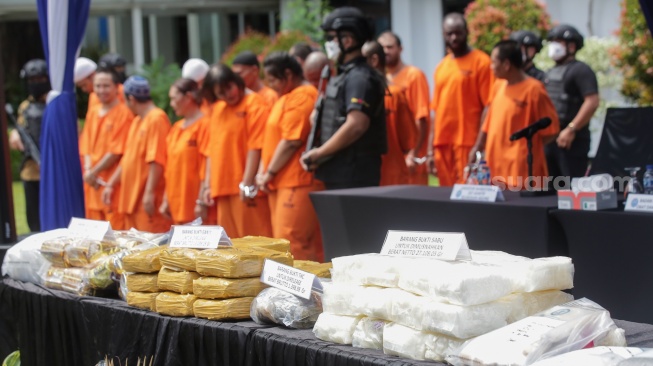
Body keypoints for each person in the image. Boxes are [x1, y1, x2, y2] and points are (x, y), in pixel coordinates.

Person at [300, 6, 387, 190]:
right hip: (340, 171)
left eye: (332, 38)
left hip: (354, 173)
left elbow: (356, 125)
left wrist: (320, 153)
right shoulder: (343, 75)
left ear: (347, 40)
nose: (329, 43)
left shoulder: (359, 77)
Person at [257, 52, 324, 261]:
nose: (271, 85)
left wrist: (268, 172)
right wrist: (264, 173)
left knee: (294, 242)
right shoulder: (286, 97)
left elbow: (291, 141)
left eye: (273, 79)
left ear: (288, 74)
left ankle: (308, 292)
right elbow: (272, 139)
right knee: (283, 241)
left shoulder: (303, 95)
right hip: (282, 180)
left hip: (298, 180)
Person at [469, 40, 559, 190]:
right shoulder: (498, 85)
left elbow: (552, 130)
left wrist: (526, 147)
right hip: (495, 167)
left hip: (521, 171)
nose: (490, 67)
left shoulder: (534, 90)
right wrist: (478, 146)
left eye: (493, 62)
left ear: (506, 64)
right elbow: (489, 120)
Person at [200, 64, 272, 238]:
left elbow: (257, 146)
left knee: (255, 244)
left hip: (245, 189)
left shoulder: (255, 103)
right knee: (231, 247)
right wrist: (208, 185)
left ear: (236, 81)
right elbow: (211, 150)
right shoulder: (218, 109)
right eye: (221, 93)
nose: (228, 95)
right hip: (222, 188)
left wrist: (247, 183)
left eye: (229, 88)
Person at [427, 12, 494, 186]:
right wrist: (430, 149)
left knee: (469, 198)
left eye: (458, 33)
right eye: (449, 34)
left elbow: (489, 106)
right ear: (443, 35)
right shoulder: (441, 66)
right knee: (446, 198)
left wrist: (479, 146)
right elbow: (435, 110)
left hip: (468, 143)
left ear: (467, 32)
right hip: (443, 145)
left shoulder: (482, 62)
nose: (454, 38)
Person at [102, 76, 172, 233]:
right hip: (131, 200)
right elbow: (128, 158)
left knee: (151, 247)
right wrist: (111, 184)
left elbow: (157, 160)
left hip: (145, 199)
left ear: (131, 99)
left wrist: (149, 193)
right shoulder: (137, 121)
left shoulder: (156, 119)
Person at [80, 69, 134, 229]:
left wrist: (93, 172)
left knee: (115, 233)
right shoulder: (94, 111)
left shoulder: (124, 113)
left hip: (111, 184)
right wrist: (89, 170)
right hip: (93, 184)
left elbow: (116, 152)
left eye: (106, 86)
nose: (101, 90)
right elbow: (87, 145)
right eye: (97, 86)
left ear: (117, 87)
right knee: (94, 235)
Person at [544, 24, 599, 179]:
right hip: (551, 139)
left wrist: (571, 129)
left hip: (571, 140)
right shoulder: (550, 72)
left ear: (572, 46)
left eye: (558, 41)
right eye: (552, 41)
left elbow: (592, 101)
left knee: (572, 188)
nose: (553, 46)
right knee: (551, 189)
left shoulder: (581, 70)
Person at [378, 31, 431, 185]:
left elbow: (422, 118)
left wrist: (414, 153)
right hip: (390, 160)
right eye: (382, 48)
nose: (386, 51)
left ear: (400, 49)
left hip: (410, 160)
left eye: (390, 47)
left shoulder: (414, 75)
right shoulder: (382, 79)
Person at [362, 41, 417, 186]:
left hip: (388, 177)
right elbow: (408, 142)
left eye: (360, 62)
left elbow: (408, 142)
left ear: (374, 60)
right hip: (380, 176)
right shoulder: (393, 94)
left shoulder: (394, 95)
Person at [159, 78, 210, 225]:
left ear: (188, 97)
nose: (171, 104)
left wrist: (201, 201)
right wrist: (166, 198)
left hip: (195, 204)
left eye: (174, 98)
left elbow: (206, 165)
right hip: (177, 202)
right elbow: (170, 167)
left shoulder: (205, 125)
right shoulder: (176, 127)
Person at [8, 59, 50, 232]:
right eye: (32, 81)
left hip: (52, 172)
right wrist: (15, 134)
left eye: (40, 80)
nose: (36, 84)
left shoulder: (56, 103)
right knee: (34, 221)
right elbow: (20, 128)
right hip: (31, 170)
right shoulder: (25, 106)